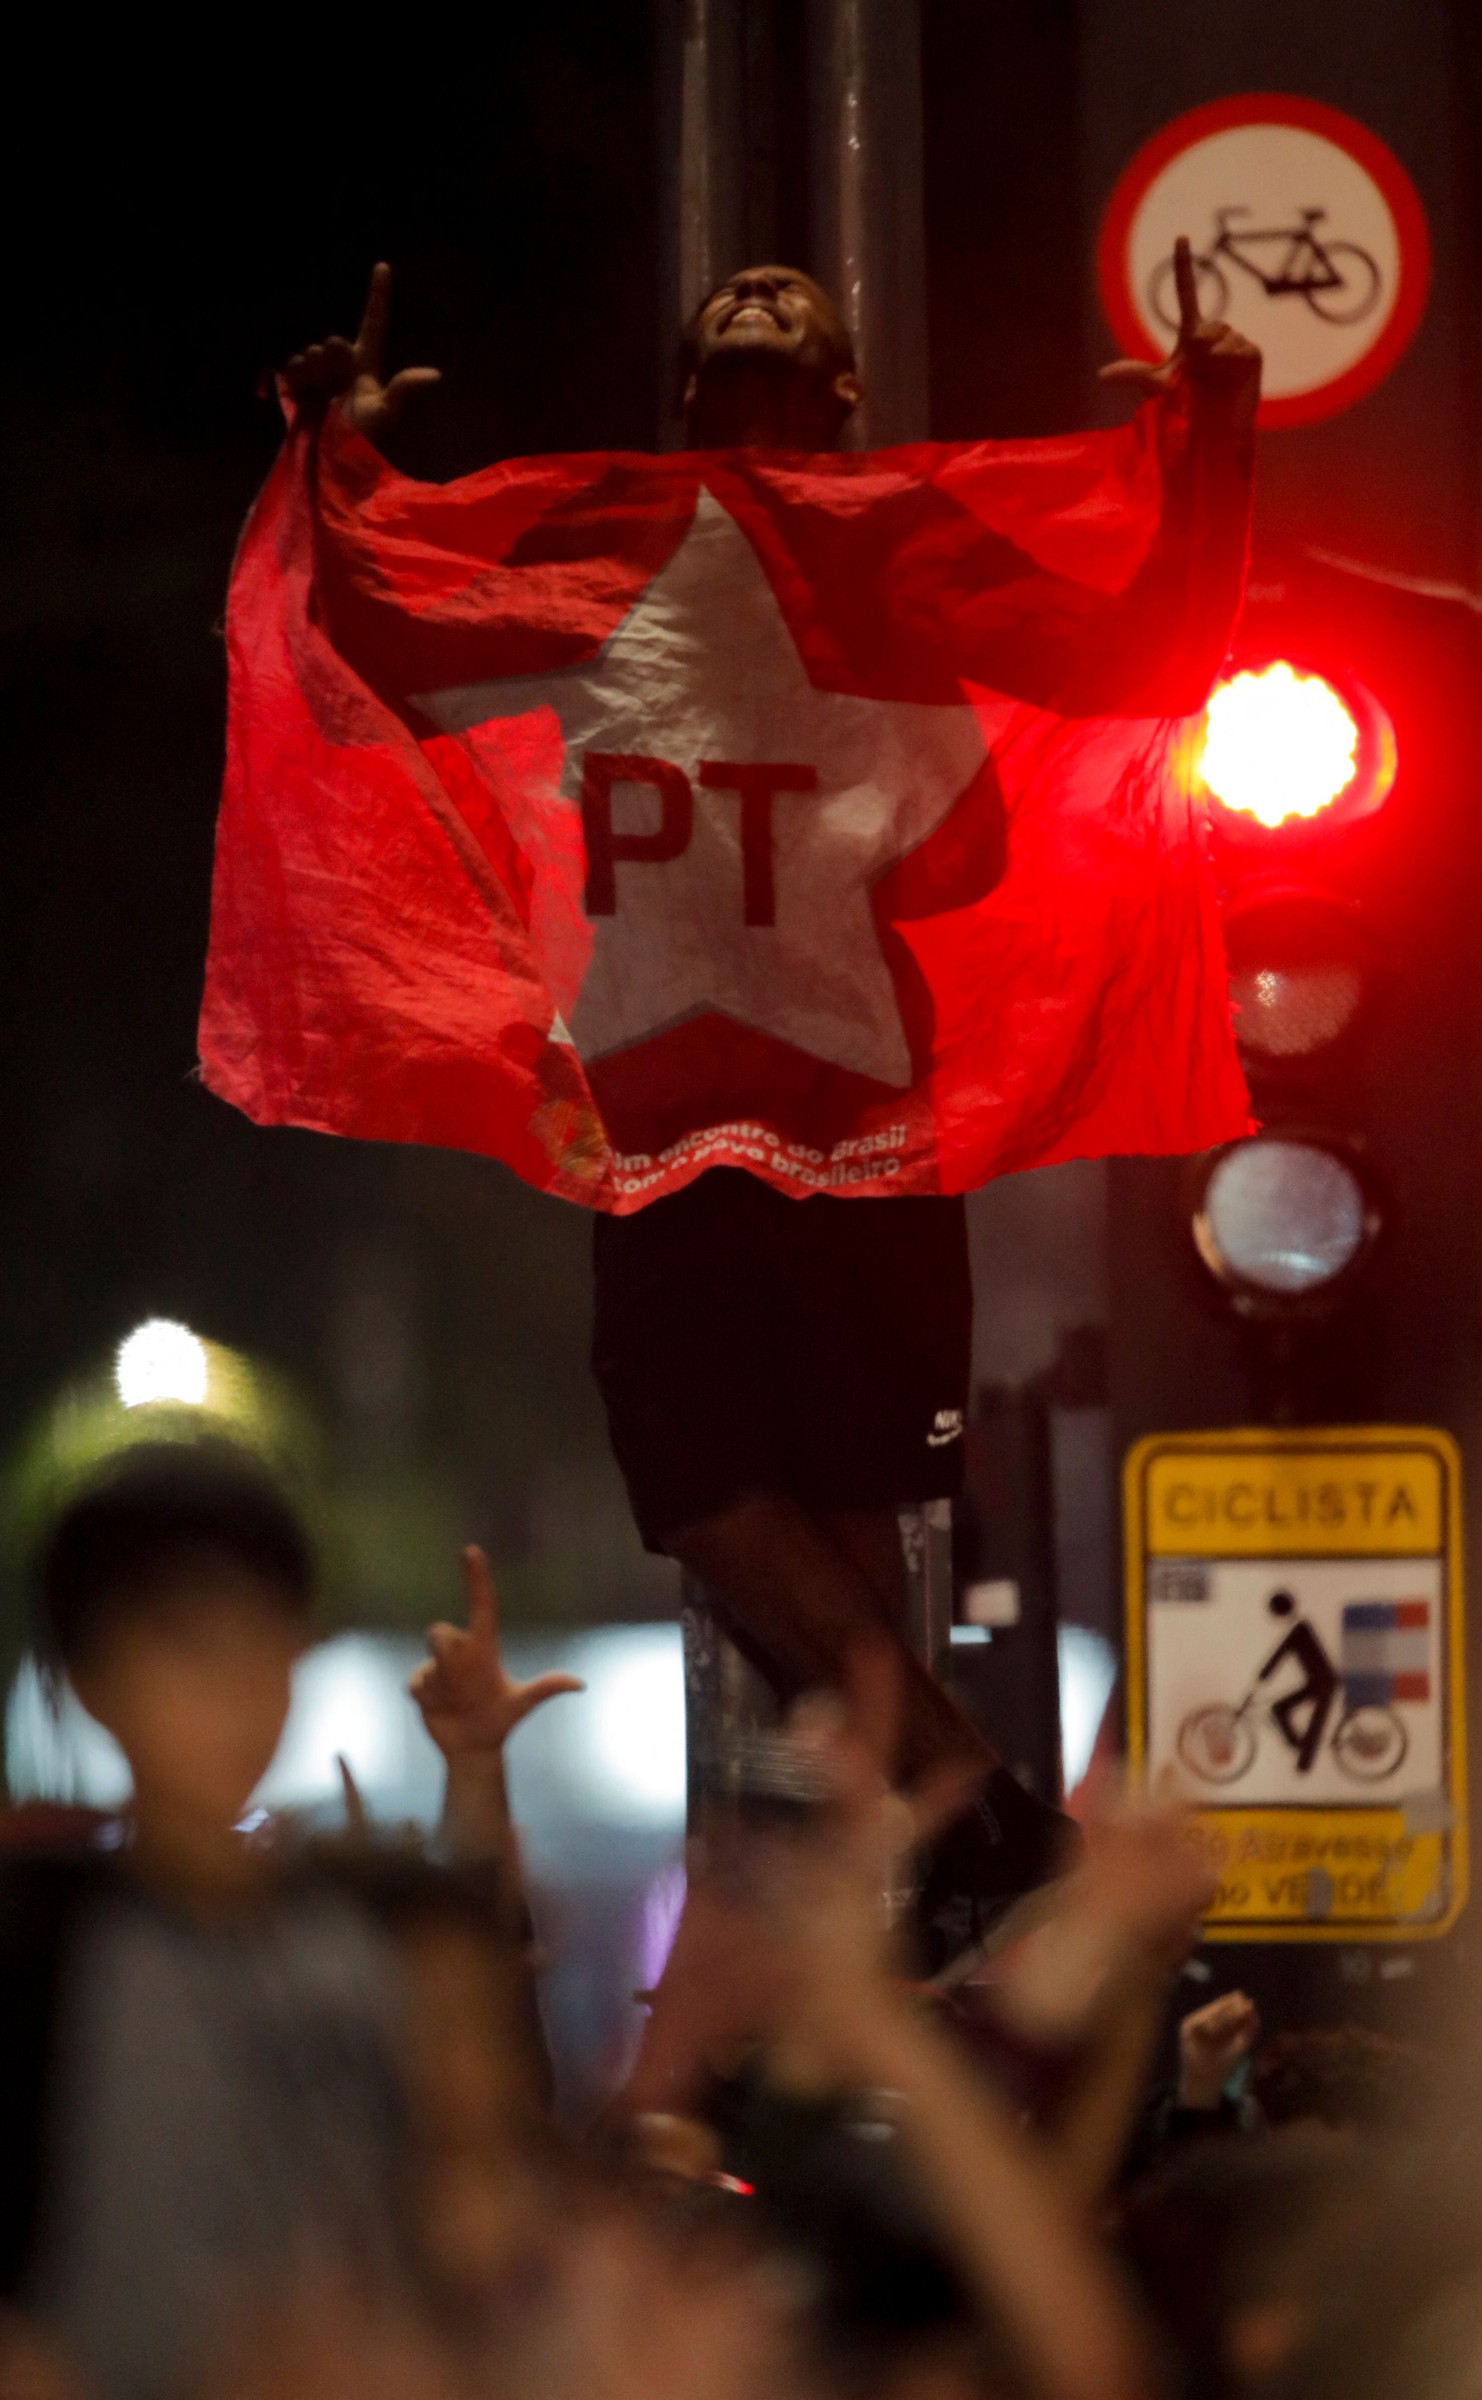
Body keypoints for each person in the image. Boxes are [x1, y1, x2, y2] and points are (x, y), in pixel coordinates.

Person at [281, 252, 1260, 1951]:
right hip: (665, 1111)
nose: (757, 291)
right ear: (683, 389)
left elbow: (1150, 648)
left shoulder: (909, 549)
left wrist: (1220, 424)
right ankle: (981, 1833)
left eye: (792, 296)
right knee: (707, 1490)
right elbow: (363, 635)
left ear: (846, 391)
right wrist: (325, 454)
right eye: (732, 295)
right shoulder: (604, 543)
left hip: (858, 1108)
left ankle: (906, 1951)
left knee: (842, 1517)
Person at [0, 1441, 556, 2400]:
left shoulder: (352, 1934)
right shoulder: (42, 1953)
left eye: (268, 1641)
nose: (238, 1689)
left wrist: (473, 1771)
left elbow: (482, 2123)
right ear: (91, 1682)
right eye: (186, 1645)